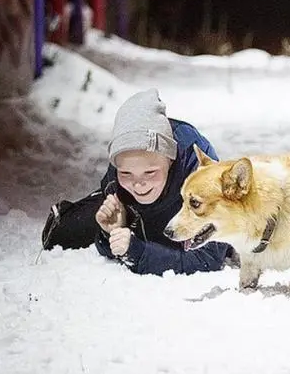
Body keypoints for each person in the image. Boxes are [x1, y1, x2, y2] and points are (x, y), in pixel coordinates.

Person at [42, 88, 235, 276]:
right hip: (138, 212)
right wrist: (112, 233)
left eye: (150, 172)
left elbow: (208, 259)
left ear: (170, 159)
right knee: (59, 235)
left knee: (175, 241)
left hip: (178, 207)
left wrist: (137, 252)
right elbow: (112, 243)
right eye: (126, 172)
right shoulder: (117, 182)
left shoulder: (199, 172)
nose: (138, 183)